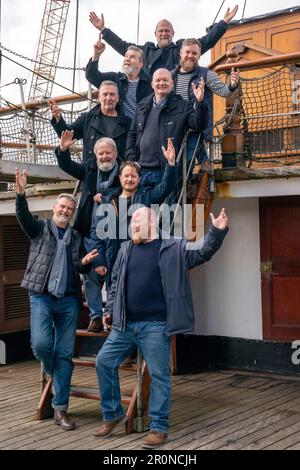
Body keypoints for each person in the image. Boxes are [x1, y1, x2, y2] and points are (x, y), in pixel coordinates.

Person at [93, 205, 228, 448]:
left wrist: (216, 232)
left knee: (159, 375)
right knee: (103, 361)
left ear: (152, 222)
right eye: (131, 222)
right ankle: (112, 413)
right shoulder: (125, 248)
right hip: (124, 325)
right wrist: (109, 310)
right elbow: (115, 282)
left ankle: (158, 427)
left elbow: (201, 252)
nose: (133, 225)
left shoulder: (173, 247)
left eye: (137, 221)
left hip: (155, 325)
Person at [15, 169, 98, 430]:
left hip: (68, 301)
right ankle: (53, 372)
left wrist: (84, 264)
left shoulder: (75, 237)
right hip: (41, 297)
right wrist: (20, 193)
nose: (65, 211)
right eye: (62, 207)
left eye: (69, 209)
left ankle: (60, 409)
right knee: (40, 345)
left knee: (64, 354)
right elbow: (22, 215)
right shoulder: (39, 230)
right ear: (54, 208)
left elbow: (79, 267)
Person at [55, 131, 121, 332]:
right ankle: (95, 316)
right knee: (91, 272)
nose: (104, 157)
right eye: (100, 153)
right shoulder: (90, 170)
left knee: (114, 278)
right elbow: (67, 166)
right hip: (91, 231)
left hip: (118, 235)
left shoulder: (123, 172)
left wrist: (107, 197)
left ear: (115, 154)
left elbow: (128, 192)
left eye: (108, 153)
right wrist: (63, 150)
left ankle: (113, 316)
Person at [90, 138, 177, 290]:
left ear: (139, 179)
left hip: (142, 259)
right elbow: (97, 233)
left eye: (133, 176)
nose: (129, 179)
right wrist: (99, 261)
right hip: (115, 260)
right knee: (115, 301)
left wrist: (170, 164)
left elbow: (165, 188)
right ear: (120, 178)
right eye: (126, 176)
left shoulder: (147, 196)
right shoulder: (107, 201)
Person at [89, 6, 238, 75]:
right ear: (155, 34)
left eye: (167, 31)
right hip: (152, 96)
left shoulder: (182, 48)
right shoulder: (145, 50)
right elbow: (123, 47)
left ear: (173, 33)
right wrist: (104, 30)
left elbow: (205, 42)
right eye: (161, 31)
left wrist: (223, 23)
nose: (164, 33)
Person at [125, 68, 207, 187]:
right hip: (141, 171)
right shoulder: (142, 105)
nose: (161, 83)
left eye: (165, 80)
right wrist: (132, 161)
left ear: (172, 83)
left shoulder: (182, 106)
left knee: (164, 207)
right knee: (141, 206)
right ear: (152, 84)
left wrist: (199, 102)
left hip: (165, 171)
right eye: (158, 80)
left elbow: (199, 125)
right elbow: (132, 134)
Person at [171, 37, 240, 171]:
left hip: (194, 126)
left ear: (199, 55)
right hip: (174, 127)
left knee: (187, 160)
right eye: (187, 52)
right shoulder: (171, 76)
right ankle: (204, 164)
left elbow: (224, 92)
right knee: (175, 160)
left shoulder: (206, 74)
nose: (190, 56)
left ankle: (200, 172)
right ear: (181, 53)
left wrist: (232, 86)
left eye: (194, 53)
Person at [49, 80, 130, 163]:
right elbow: (67, 135)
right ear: (99, 97)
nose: (108, 98)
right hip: (91, 172)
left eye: (112, 94)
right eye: (105, 94)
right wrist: (58, 118)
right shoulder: (87, 118)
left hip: (118, 172)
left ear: (118, 98)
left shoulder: (128, 123)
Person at [85, 39, 152, 120]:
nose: (127, 59)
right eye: (126, 56)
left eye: (132, 57)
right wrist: (96, 55)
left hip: (141, 127)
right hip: (120, 128)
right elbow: (91, 76)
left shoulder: (150, 82)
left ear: (140, 63)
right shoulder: (115, 79)